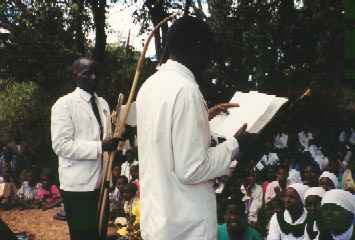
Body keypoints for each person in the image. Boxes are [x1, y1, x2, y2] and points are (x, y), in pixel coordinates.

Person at [136, 16, 252, 240]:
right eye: (209, 49)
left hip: (159, 218)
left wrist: (203, 118)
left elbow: (164, 137)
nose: (210, 59)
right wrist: (236, 144)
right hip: (185, 225)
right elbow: (192, 168)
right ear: (197, 47)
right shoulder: (186, 90)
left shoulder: (150, 85)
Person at [51, 57, 120, 240]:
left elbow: (107, 139)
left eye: (96, 73)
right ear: (75, 76)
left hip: (102, 183)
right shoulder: (64, 105)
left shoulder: (103, 103)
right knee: (83, 236)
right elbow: (61, 145)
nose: (94, 77)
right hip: (78, 186)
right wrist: (100, 147)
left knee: (100, 234)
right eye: (87, 73)